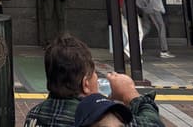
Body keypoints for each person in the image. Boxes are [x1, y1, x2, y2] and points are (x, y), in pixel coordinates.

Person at [23, 34, 165, 127]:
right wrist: (131, 95)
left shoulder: (34, 115)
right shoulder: (99, 120)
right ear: (85, 84)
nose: (97, 78)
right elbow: (153, 124)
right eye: (94, 74)